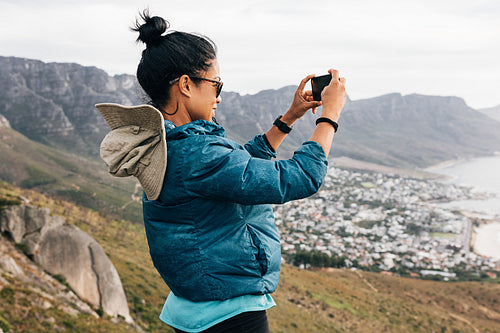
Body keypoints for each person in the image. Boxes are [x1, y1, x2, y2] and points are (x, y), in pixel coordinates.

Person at [97, 9, 346, 333]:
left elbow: (236, 167)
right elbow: (302, 177)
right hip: (228, 312)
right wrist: (330, 116)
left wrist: (289, 117)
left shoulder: (171, 144)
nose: (219, 95)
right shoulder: (197, 153)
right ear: (186, 85)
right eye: (216, 84)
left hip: (197, 301)